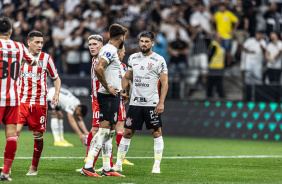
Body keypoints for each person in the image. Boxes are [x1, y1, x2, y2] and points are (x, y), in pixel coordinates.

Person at [113, 31, 168, 174]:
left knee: (156, 133)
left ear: (152, 43)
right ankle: (118, 164)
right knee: (127, 133)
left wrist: (161, 102)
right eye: (142, 41)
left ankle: (156, 165)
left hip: (152, 103)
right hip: (135, 103)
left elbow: (165, 83)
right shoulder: (133, 58)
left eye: (146, 41)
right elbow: (127, 77)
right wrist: (123, 91)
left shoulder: (159, 60)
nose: (143, 44)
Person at [81, 23, 127, 177]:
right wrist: (108, 87)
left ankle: (107, 168)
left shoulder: (111, 50)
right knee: (103, 131)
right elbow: (99, 68)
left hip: (113, 95)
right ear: (121, 37)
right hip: (107, 96)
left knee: (110, 132)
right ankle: (88, 166)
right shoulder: (108, 50)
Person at [17, 30, 61, 176]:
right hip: (22, 102)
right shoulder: (20, 57)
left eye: (41, 42)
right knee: (14, 132)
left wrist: (56, 93)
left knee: (38, 136)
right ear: (29, 42)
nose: (40, 45)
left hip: (39, 103)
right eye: (37, 42)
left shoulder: (47, 58)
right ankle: (7, 166)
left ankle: (34, 167)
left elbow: (56, 78)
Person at [0, 17, 37, 181]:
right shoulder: (19, 46)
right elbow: (34, 62)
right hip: (13, 99)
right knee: (11, 136)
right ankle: (6, 173)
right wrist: (19, 62)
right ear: (11, 31)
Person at [206, 34, 225, 98]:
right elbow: (210, 56)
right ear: (216, 38)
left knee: (214, 83)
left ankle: (210, 95)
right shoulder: (214, 45)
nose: (220, 39)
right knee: (215, 83)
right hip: (214, 67)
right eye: (219, 38)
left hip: (218, 68)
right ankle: (220, 96)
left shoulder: (218, 46)